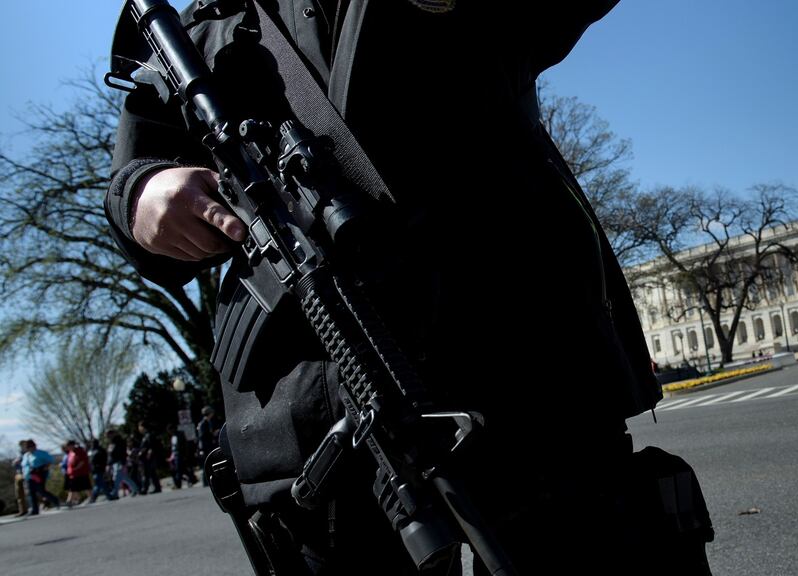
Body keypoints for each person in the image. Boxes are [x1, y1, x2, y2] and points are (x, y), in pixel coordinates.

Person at [106, 2, 700, 574]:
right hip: (312, 412)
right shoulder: (202, 26)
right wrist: (144, 193)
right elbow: (139, 164)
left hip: (525, 363)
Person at [21, 439, 60, 515]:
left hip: (39, 474)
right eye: (28, 447)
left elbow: (51, 460)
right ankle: (34, 510)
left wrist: (45, 466)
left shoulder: (41, 453)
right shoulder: (26, 455)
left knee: (41, 490)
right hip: (29, 476)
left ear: (34, 446)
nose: (30, 449)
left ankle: (55, 500)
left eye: (31, 447)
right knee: (31, 493)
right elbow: (24, 465)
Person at [106, 429, 139, 497]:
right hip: (114, 463)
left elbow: (123, 454)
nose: (107, 436)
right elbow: (110, 455)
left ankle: (114, 493)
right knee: (124, 478)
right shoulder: (111, 443)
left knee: (116, 477)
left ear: (113, 434)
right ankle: (135, 489)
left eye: (109, 434)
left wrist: (123, 463)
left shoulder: (119, 441)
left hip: (120, 462)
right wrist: (109, 464)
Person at [166, 424, 198, 489]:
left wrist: (185, 455)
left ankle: (178, 484)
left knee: (178, 470)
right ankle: (192, 479)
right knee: (182, 470)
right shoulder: (172, 436)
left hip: (180, 454)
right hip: (175, 455)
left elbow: (183, 445)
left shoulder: (180, 434)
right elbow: (173, 447)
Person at [195, 406, 220, 487]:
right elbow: (202, 436)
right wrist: (213, 434)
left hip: (207, 446)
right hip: (205, 447)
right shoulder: (203, 423)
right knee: (207, 463)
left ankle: (207, 481)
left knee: (208, 463)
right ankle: (206, 481)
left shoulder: (206, 422)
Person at [87, 438, 117, 503]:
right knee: (101, 483)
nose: (92, 444)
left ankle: (94, 497)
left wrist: (104, 466)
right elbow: (90, 462)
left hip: (99, 469)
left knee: (99, 484)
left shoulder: (98, 451)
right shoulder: (93, 451)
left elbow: (104, 459)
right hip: (95, 469)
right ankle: (109, 496)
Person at [63, 440, 91, 506]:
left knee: (86, 486)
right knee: (72, 488)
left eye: (68, 446)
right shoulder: (70, 452)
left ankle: (91, 497)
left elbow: (82, 461)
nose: (67, 447)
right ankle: (69, 501)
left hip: (81, 472)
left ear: (72, 445)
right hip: (73, 474)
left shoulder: (79, 451)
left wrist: (75, 468)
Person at [137, 423, 162, 495]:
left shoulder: (148, 435)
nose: (139, 429)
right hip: (146, 458)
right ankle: (156, 487)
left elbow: (151, 446)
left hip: (148, 458)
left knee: (148, 473)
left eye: (140, 427)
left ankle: (145, 489)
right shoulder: (145, 436)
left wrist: (149, 453)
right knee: (151, 473)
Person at [12, 440, 28, 517]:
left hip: (27, 474)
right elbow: (14, 464)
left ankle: (43, 503)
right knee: (19, 494)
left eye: (23, 445)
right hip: (18, 474)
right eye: (21, 445)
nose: (22, 447)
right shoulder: (20, 453)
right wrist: (15, 462)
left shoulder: (29, 453)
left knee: (29, 492)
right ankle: (22, 510)